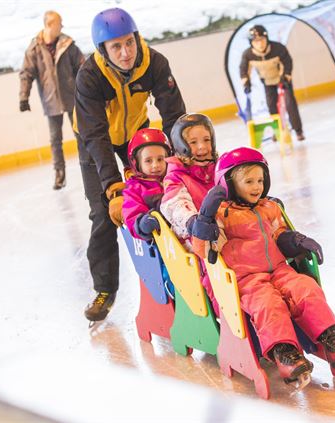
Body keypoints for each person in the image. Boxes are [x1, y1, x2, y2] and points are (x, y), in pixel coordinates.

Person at [190, 147, 335, 383]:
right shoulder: (221, 214)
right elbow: (203, 250)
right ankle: (285, 354)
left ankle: (331, 341)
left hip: (279, 270)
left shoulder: (270, 207)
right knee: (268, 303)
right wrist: (205, 218)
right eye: (248, 181)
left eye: (260, 180)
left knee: (306, 288)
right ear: (227, 184)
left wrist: (297, 240)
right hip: (246, 280)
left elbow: (279, 234)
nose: (256, 186)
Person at [74, 8, 186, 322]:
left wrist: (181, 162)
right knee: (103, 214)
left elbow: (174, 115)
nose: (125, 53)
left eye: (129, 43)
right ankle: (105, 289)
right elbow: (95, 135)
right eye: (116, 47)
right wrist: (113, 187)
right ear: (103, 51)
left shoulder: (154, 63)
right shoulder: (90, 76)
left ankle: (177, 273)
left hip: (137, 133)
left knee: (165, 198)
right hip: (94, 142)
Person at [160, 113, 219, 314]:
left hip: (223, 233)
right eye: (193, 142)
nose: (202, 147)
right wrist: (193, 221)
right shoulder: (176, 176)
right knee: (215, 268)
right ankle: (225, 312)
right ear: (181, 145)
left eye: (206, 140)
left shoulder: (219, 169)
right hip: (196, 241)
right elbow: (173, 203)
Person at [19, 10, 85, 189]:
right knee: (55, 139)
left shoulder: (68, 44)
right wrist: (24, 96)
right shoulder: (35, 48)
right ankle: (59, 174)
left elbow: (82, 67)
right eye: (59, 22)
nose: (62, 26)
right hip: (51, 99)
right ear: (49, 25)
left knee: (81, 133)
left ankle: (88, 165)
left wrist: (88, 91)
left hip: (72, 96)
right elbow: (26, 73)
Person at [239, 25, 305, 141]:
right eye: (256, 41)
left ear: (267, 39)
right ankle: (277, 130)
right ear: (251, 42)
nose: (260, 44)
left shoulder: (278, 48)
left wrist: (286, 78)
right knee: (272, 106)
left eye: (262, 40)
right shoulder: (248, 54)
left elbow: (288, 63)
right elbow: (244, 70)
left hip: (282, 80)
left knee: (290, 104)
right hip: (267, 82)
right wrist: (246, 83)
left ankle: (298, 130)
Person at [121, 128, 171, 241]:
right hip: (162, 242)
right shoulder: (134, 189)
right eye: (148, 161)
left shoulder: (175, 177)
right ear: (137, 163)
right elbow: (132, 214)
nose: (155, 165)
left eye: (160, 159)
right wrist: (142, 224)